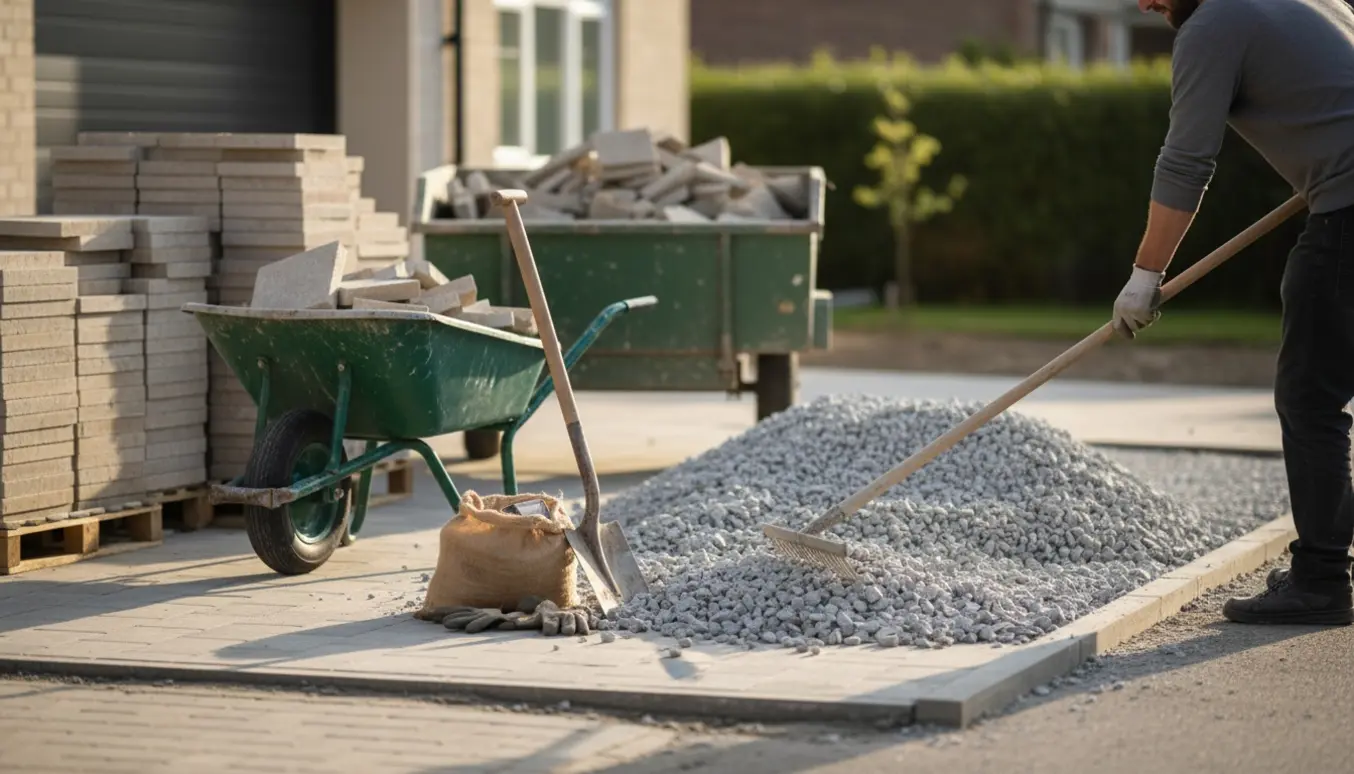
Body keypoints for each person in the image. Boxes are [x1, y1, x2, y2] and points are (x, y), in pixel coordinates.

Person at [1115, 0, 1354, 625]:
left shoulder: (1213, 24)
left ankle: (1322, 581)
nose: (1145, 5)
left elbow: (1187, 161)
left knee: (1310, 399)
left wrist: (1146, 275)